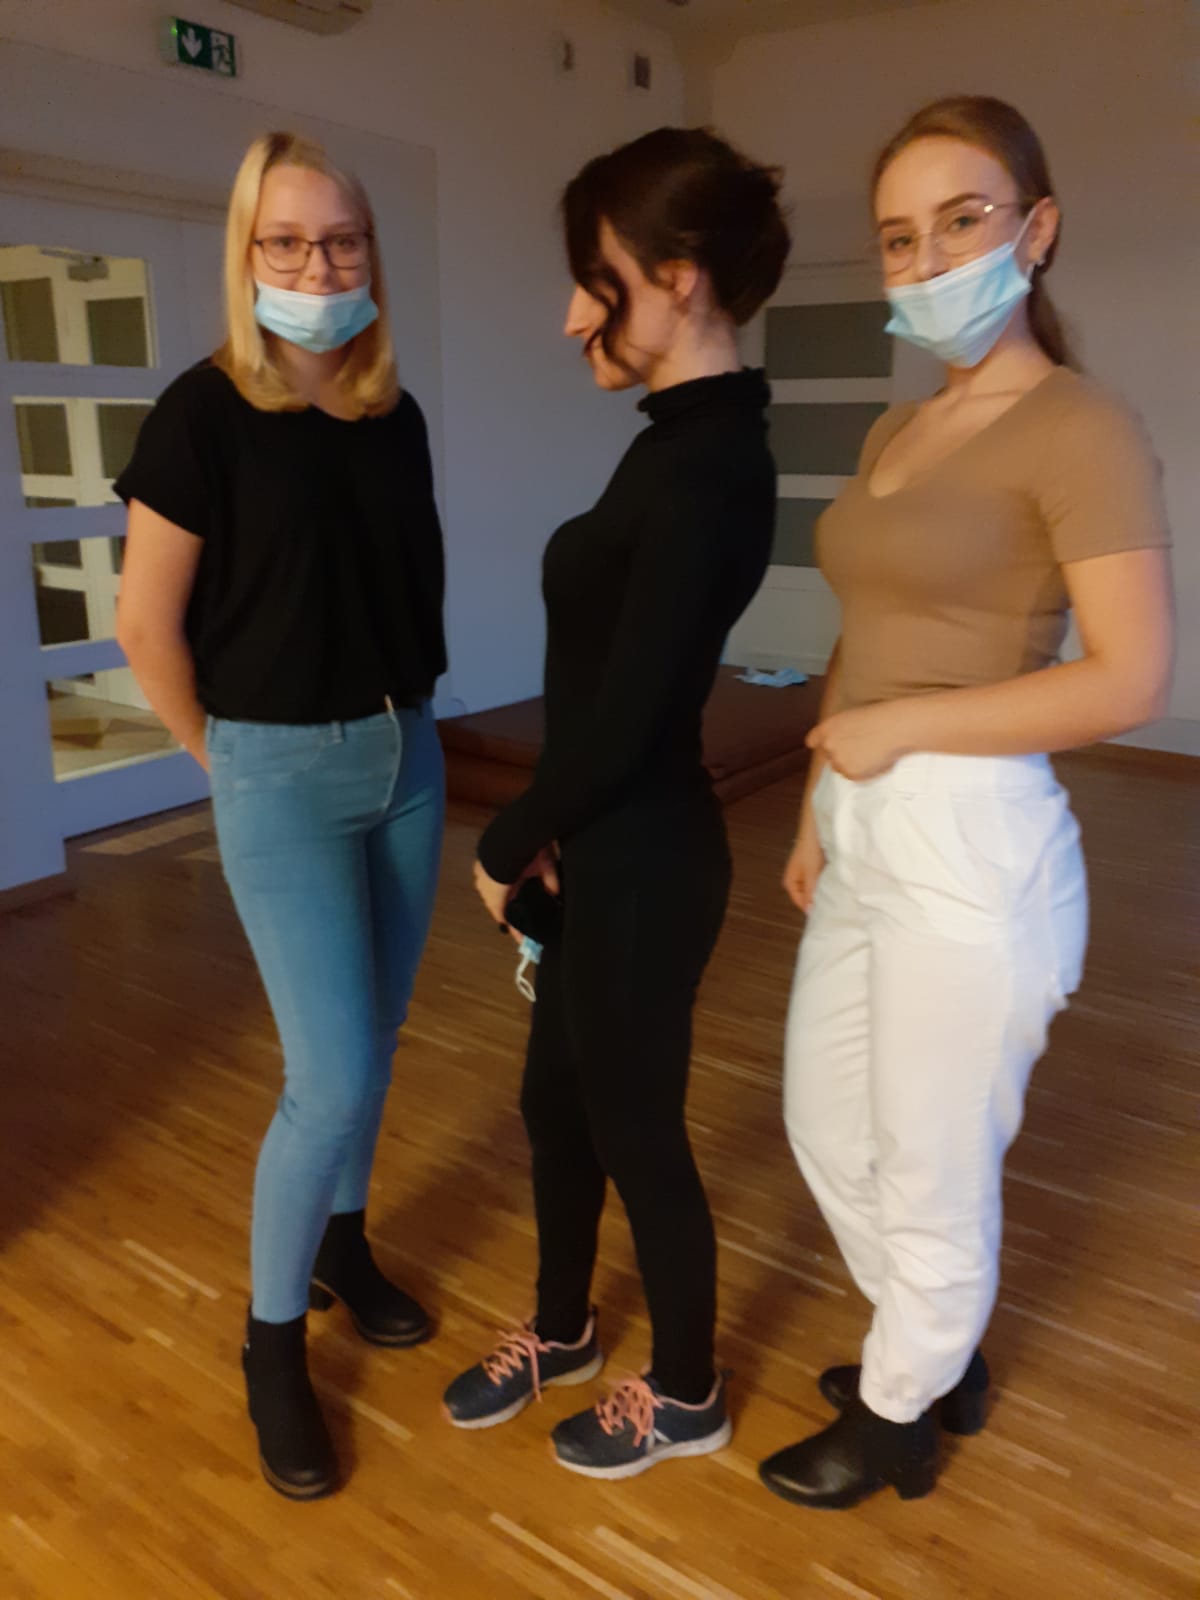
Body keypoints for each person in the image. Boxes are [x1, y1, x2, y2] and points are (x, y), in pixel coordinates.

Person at [758, 96, 1174, 1510]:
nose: (928, 259)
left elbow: (1129, 679)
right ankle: (933, 1348)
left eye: (963, 220)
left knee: (932, 1162)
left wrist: (895, 733)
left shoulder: (1083, 426)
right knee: (827, 1122)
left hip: (972, 834)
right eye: (899, 237)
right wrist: (817, 800)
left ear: (1035, 230)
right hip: (863, 813)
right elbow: (861, 629)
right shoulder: (904, 424)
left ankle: (899, 1415)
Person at [441, 127, 790, 1479]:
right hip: (600, 844)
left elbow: (636, 709)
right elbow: (605, 692)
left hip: (645, 857)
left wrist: (508, 837)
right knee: (555, 1104)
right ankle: (563, 1329)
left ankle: (689, 1391)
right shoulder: (676, 444)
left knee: (636, 1128)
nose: (572, 313)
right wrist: (551, 837)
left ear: (680, 276)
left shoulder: (713, 465)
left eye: (599, 278)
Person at [115, 131, 447, 1501]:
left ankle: (343, 1245)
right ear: (247, 254)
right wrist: (227, 760)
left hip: (406, 756)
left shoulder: (392, 416)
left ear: (372, 254)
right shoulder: (199, 415)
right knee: (330, 1079)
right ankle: (269, 1347)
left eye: (342, 241)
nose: (318, 267)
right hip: (278, 772)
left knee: (377, 1035)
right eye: (288, 243)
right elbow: (145, 624)